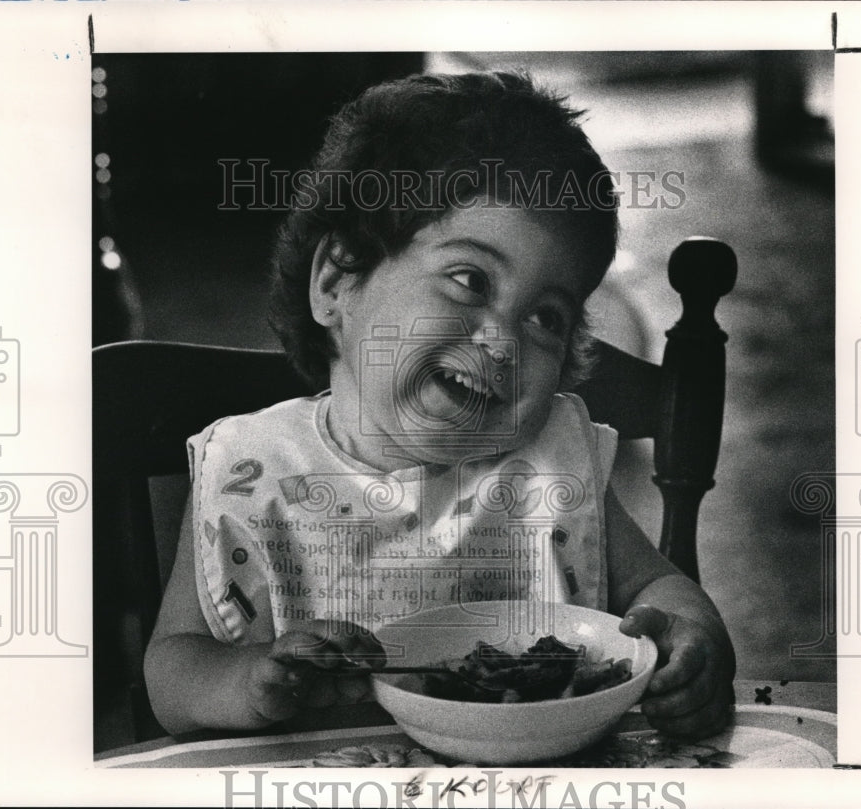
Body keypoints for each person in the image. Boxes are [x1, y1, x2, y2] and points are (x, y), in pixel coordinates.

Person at [144, 71, 735, 742]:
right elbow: (172, 671)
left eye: (546, 316)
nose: (504, 340)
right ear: (337, 281)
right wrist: (248, 680)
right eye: (468, 279)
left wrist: (693, 636)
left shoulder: (547, 465)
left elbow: (662, 588)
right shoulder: (250, 472)